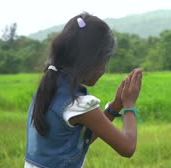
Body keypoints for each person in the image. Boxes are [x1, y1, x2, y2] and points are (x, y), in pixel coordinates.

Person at [25, 12, 143, 168]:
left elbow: (78, 139)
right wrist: (129, 104)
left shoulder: (47, 90)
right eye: (104, 62)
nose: (104, 70)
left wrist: (115, 106)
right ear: (91, 60)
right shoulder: (78, 104)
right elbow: (127, 147)